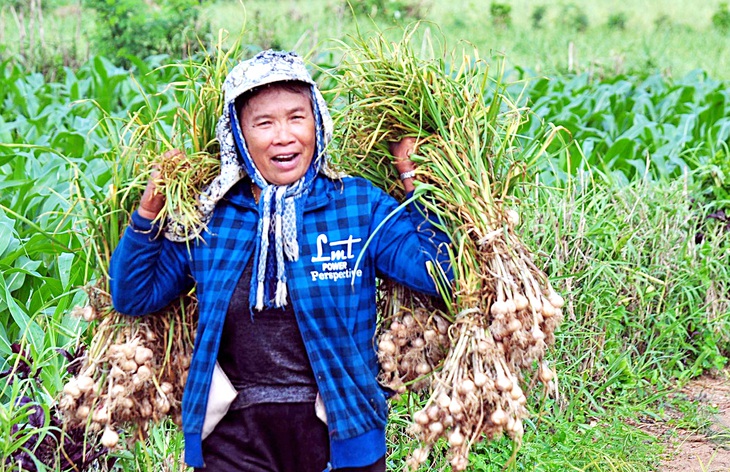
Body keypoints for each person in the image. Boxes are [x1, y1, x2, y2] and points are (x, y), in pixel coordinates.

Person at [109, 49, 451, 471]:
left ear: (318, 122)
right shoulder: (212, 215)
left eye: (296, 117)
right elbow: (133, 296)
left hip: (337, 429)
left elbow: (440, 272)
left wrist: (416, 184)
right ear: (238, 134)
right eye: (264, 123)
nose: (284, 136)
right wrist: (147, 215)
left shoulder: (357, 205)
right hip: (233, 438)